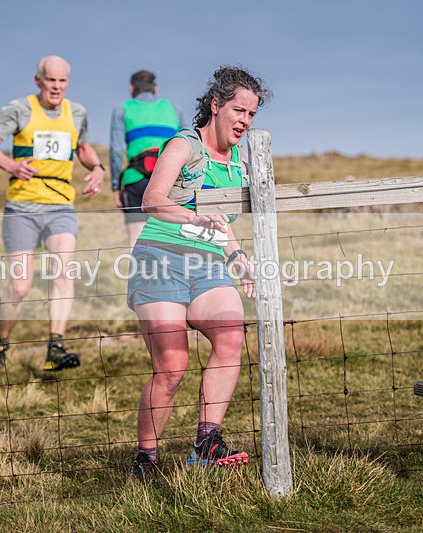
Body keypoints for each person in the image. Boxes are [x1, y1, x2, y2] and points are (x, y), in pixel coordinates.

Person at [126, 66, 270, 480]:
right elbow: (152, 200)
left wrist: (239, 259)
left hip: (207, 264)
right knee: (172, 367)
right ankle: (146, 460)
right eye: (239, 110)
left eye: (251, 114)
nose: (244, 121)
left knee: (231, 336)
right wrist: (193, 215)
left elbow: (221, 225)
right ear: (216, 106)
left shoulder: (239, 164)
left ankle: (207, 443)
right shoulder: (183, 146)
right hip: (160, 257)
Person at [0, 55, 106, 372]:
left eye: (62, 81)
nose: (56, 87)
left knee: (63, 273)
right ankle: (0, 345)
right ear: (38, 81)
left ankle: (55, 347)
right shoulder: (19, 109)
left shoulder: (77, 112)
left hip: (61, 206)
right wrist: (11, 166)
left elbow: (82, 147)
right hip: (22, 207)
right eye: (51, 80)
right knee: (20, 285)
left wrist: (97, 167)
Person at [109, 71, 186, 248]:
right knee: (169, 242)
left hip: (136, 180)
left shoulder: (122, 109)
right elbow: (188, 143)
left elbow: (116, 151)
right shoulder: (173, 108)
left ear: (131, 89)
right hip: (169, 181)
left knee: (136, 243)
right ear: (155, 89)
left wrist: (115, 186)